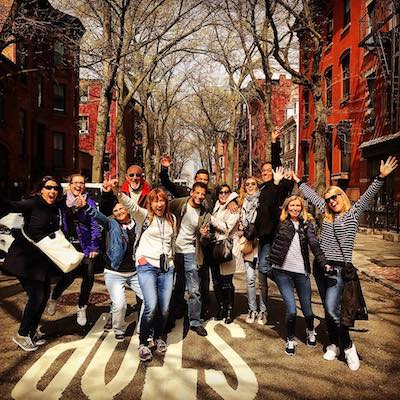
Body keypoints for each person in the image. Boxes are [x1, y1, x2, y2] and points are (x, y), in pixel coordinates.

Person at [293, 156, 398, 370]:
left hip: (339, 270)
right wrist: (299, 182)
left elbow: (368, 196)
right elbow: (313, 197)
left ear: (342, 197)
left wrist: (380, 177)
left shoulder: (351, 214)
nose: (332, 201)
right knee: (327, 306)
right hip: (321, 266)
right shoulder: (326, 214)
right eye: (329, 199)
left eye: (335, 197)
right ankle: (333, 344)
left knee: (333, 311)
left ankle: (348, 347)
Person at [159, 156, 238, 320]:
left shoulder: (212, 196)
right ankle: (185, 307)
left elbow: (225, 196)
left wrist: (233, 200)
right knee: (188, 280)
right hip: (189, 246)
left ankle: (213, 308)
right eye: (200, 179)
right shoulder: (185, 195)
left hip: (209, 245)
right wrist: (164, 169)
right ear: (195, 182)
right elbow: (167, 185)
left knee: (210, 279)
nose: (200, 194)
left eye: (205, 180)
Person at [111, 180, 176, 362]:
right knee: (151, 306)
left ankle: (157, 337)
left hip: (166, 268)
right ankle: (143, 342)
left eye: (162, 200)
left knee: (164, 309)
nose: (159, 204)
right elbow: (129, 204)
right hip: (147, 266)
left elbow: (172, 242)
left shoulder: (172, 219)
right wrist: (117, 191)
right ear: (150, 203)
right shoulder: (144, 216)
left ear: (166, 202)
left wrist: (172, 263)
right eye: (155, 201)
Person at [0, 176, 64, 351]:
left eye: (56, 188)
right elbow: (13, 205)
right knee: (36, 298)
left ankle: (31, 332)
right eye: (49, 187)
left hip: (42, 262)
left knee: (43, 296)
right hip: (24, 259)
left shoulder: (55, 208)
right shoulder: (33, 203)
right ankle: (22, 334)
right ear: (41, 189)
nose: (52, 191)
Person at [79, 192, 143, 341]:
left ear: (127, 209)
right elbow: (98, 216)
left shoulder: (139, 223)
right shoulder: (112, 223)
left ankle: (143, 325)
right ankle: (119, 328)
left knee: (149, 299)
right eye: (115, 211)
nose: (119, 213)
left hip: (135, 271)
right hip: (115, 272)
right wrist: (86, 207)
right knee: (120, 305)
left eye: (121, 209)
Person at [270, 193, 327, 356]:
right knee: (292, 310)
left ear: (301, 208)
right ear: (287, 207)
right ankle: (290, 339)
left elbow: (314, 244)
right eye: (291, 205)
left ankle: (310, 330)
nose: (294, 208)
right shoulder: (280, 223)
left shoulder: (306, 224)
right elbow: (269, 205)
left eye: (298, 206)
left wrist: (323, 262)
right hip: (282, 272)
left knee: (308, 311)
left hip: (301, 272)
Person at [47, 174, 101, 326]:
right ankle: (54, 297)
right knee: (68, 277)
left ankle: (82, 306)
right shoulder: (62, 202)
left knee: (89, 276)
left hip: (86, 245)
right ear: (69, 185)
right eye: (75, 182)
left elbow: (95, 225)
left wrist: (94, 246)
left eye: (82, 183)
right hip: (68, 245)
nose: (79, 185)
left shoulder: (89, 202)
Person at [254, 130, 294, 317]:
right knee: (262, 269)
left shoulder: (280, 187)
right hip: (262, 236)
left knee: (264, 268)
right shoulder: (262, 189)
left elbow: (278, 167)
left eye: (269, 171)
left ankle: (286, 281)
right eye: (263, 172)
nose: (266, 174)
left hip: (275, 234)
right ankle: (285, 280)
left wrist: (274, 142)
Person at [169, 182, 211, 336]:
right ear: (192, 192)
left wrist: (204, 235)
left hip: (190, 252)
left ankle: (195, 322)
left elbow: (205, 240)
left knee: (194, 289)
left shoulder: (204, 213)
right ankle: (173, 314)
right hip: (173, 251)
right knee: (175, 285)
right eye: (197, 193)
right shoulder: (178, 204)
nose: (200, 196)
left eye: (202, 194)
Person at [207, 184, 243, 324]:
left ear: (230, 193)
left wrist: (211, 218)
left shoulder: (234, 209)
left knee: (227, 282)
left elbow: (226, 228)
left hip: (227, 248)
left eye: (226, 192)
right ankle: (221, 307)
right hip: (215, 248)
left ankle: (229, 310)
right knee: (216, 281)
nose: (223, 195)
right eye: (220, 192)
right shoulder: (216, 205)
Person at [237, 176, 265, 324]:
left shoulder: (262, 201)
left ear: (257, 186)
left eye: (253, 184)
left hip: (261, 243)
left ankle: (263, 310)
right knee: (250, 279)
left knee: (262, 280)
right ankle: (252, 309)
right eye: (247, 184)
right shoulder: (241, 202)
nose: (250, 186)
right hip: (248, 243)